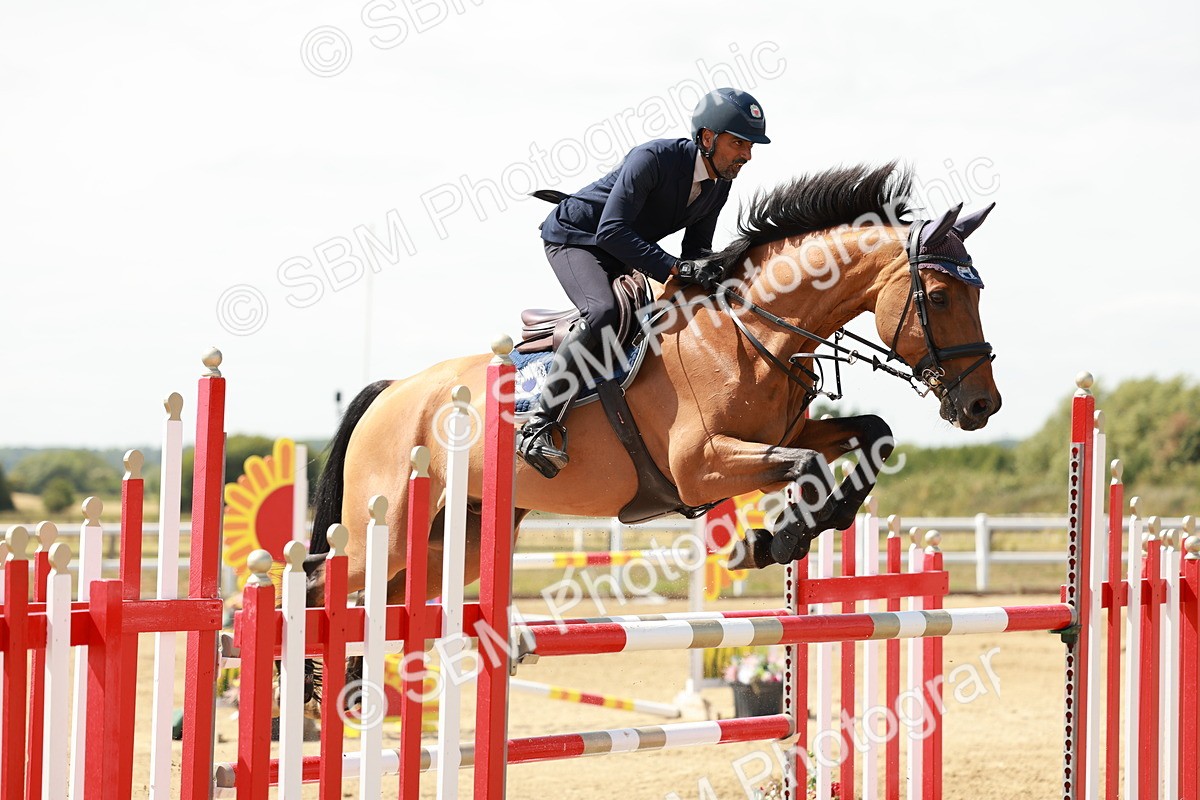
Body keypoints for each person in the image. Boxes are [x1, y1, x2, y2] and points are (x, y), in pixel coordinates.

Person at [517, 87, 771, 479]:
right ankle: (538, 421)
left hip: (620, 247)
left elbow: (697, 248)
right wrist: (675, 268)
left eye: (751, 145)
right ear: (707, 137)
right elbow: (612, 231)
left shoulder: (720, 184)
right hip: (577, 239)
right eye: (739, 142)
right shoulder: (653, 159)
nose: (747, 155)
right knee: (602, 311)